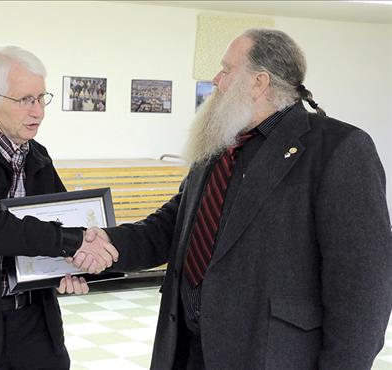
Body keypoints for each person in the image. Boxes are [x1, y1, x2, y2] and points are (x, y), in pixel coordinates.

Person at [79, 29, 392, 369]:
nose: (216, 79)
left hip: (271, 355)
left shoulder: (338, 149)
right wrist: (106, 244)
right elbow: (172, 226)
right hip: (188, 350)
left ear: (259, 82)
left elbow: (363, 290)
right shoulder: (220, 143)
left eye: (226, 69)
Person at [0, 46, 117, 370]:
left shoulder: (37, 156)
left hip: (34, 324)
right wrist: (73, 242)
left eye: (42, 98)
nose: (38, 111)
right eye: (26, 100)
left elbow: (61, 219)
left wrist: (71, 268)